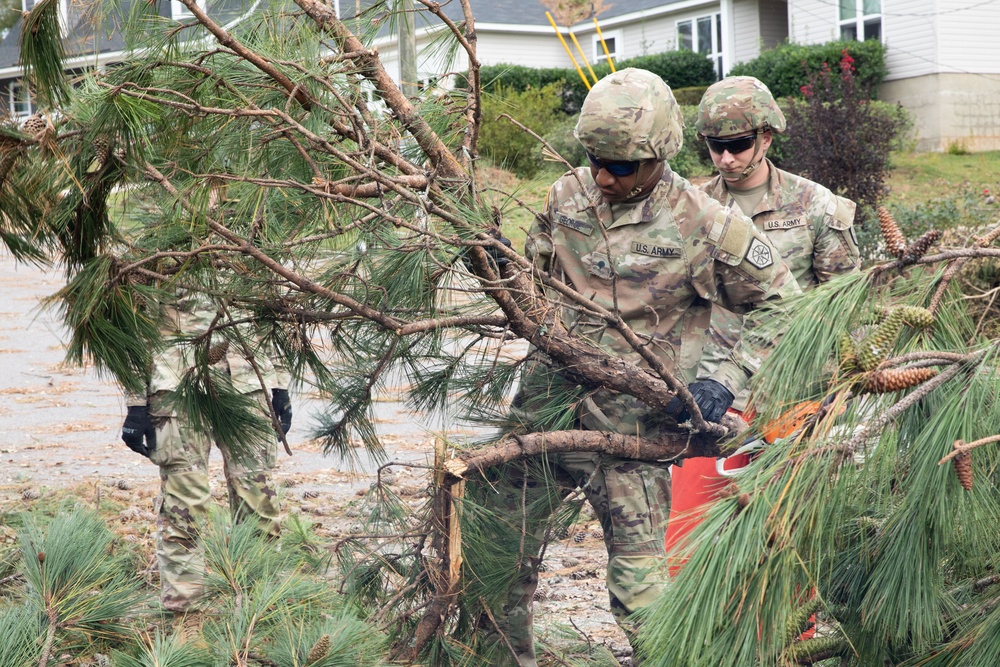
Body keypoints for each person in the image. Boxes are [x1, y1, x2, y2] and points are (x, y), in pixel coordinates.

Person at [483, 68, 801, 667]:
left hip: (635, 429)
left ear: (660, 154)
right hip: (546, 405)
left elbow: (784, 303)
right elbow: (531, 281)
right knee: (501, 560)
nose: (604, 175)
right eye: (595, 159)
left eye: (623, 166)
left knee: (640, 589)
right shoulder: (565, 196)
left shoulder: (705, 222)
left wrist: (720, 380)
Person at [664, 75, 861, 561]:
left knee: (789, 540)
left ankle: (792, 639)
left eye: (738, 145)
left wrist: (841, 389)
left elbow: (845, 305)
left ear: (767, 137)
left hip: (789, 393)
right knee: (685, 540)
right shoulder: (691, 204)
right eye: (715, 147)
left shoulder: (815, 205)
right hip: (709, 391)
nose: (726, 158)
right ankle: (689, 636)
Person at [120, 291, 292, 624]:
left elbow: (272, 311)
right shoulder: (153, 245)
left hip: (246, 380)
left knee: (258, 496)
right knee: (184, 501)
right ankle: (186, 618)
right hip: (175, 386)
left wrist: (280, 384)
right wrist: (135, 403)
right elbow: (130, 323)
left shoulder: (251, 241)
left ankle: (262, 608)